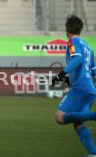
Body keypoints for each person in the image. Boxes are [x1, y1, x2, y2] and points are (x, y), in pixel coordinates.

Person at [52, 14, 96, 157]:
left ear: (67, 30)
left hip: (81, 88)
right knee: (78, 123)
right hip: (90, 89)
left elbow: (77, 60)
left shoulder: (72, 42)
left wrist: (61, 74)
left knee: (59, 117)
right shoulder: (89, 47)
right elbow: (94, 71)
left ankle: (93, 116)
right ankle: (93, 153)